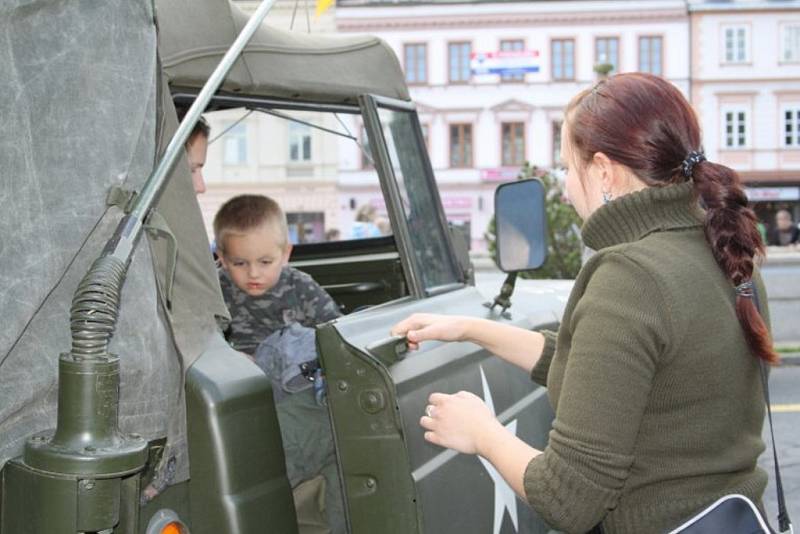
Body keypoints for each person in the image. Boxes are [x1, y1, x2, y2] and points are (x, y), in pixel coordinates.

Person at [391, 73, 777, 533]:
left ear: (603, 171)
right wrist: (473, 328)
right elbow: (612, 376)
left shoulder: (630, 276)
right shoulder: (726, 254)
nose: (568, 187)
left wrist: (482, 433)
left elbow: (568, 498)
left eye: (567, 169)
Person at [214, 194, 345, 533]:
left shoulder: (300, 287)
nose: (253, 273)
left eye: (265, 261)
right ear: (222, 259)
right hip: (241, 396)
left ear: (286, 254)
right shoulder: (215, 292)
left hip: (295, 391)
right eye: (240, 263)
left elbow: (336, 336)